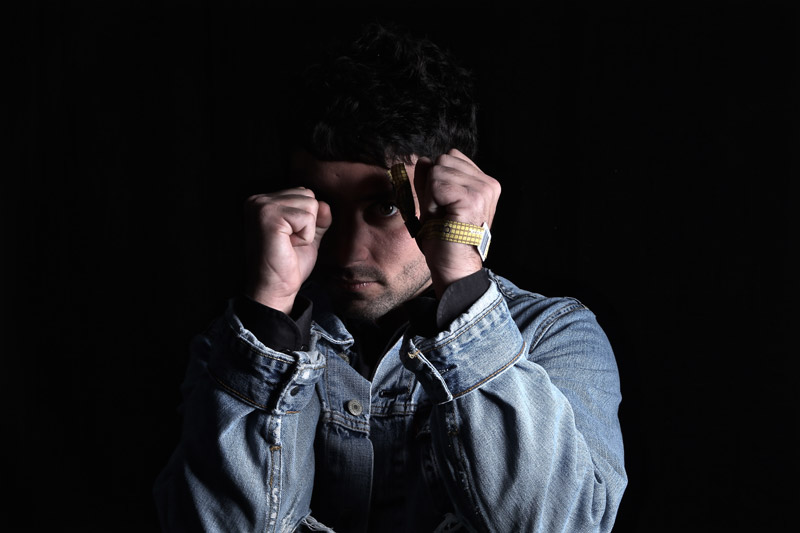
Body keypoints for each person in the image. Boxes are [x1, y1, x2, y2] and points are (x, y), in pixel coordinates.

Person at [154, 22, 627, 532]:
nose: (347, 251)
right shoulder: (236, 349)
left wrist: (462, 279)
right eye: (322, 207)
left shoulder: (552, 336)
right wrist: (269, 319)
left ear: (453, 194)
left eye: (385, 207)